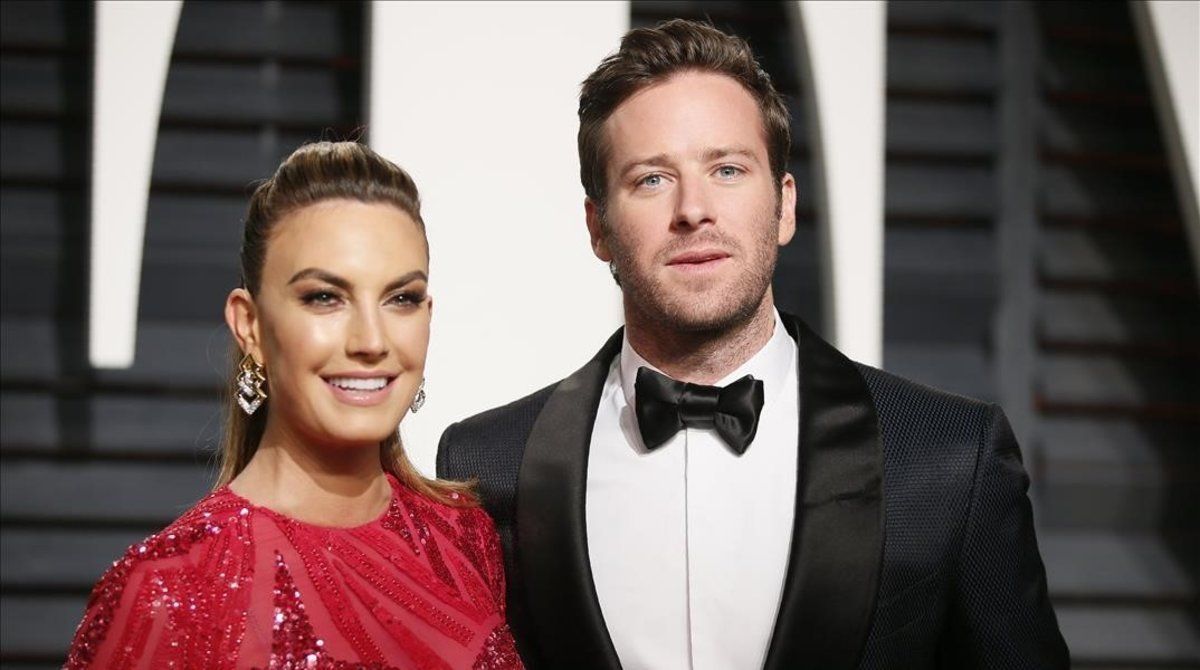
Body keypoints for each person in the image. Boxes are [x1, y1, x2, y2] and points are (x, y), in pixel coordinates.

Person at [437, 19, 1068, 670]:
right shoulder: (487, 466)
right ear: (598, 228)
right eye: (651, 179)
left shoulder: (951, 458)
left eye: (728, 169)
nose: (693, 209)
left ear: (784, 206)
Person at [66, 142, 523, 669]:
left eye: (401, 299)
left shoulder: (464, 537)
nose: (371, 341)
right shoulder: (165, 592)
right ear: (250, 325)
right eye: (324, 297)